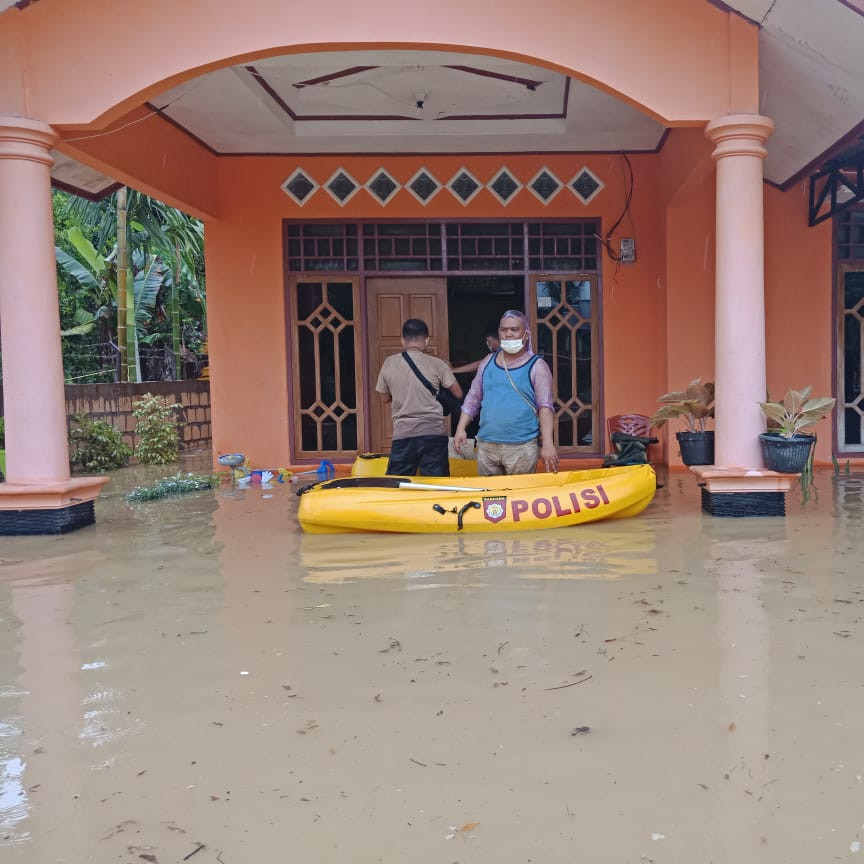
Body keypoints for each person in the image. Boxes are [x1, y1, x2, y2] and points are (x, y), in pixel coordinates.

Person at [453, 310, 558, 475]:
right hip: (487, 445)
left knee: (518, 498)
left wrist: (548, 443)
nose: (508, 334)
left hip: (521, 447)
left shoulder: (537, 366)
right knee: (490, 498)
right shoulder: (487, 362)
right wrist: (461, 428)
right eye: (504, 330)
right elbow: (473, 398)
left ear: (526, 334)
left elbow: (545, 407)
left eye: (514, 329)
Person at [376, 318, 464, 476]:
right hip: (433, 434)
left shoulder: (389, 363)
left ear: (403, 340)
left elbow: (384, 398)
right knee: (437, 485)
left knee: (398, 484)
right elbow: (458, 393)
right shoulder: (438, 364)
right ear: (427, 340)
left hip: (403, 434)